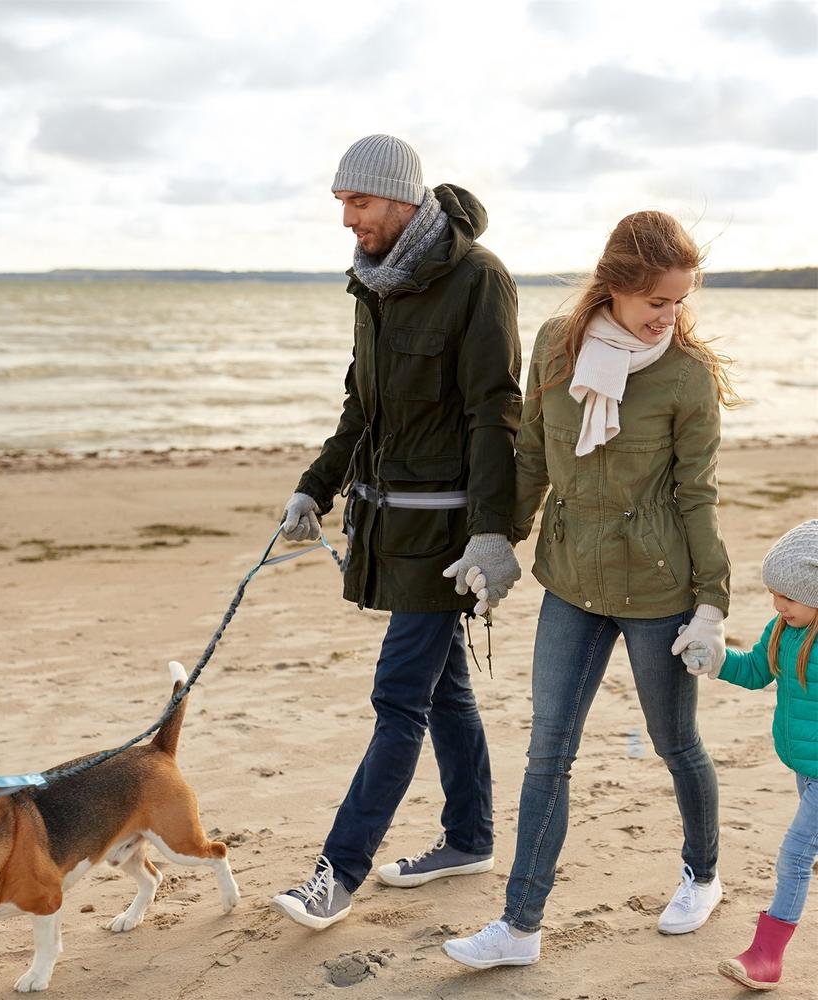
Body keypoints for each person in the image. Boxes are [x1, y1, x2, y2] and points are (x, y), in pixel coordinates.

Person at [444, 210, 739, 970]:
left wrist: (711, 605)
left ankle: (703, 875)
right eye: (655, 303)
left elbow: (697, 495)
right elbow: (534, 457)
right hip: (572, 578)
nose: (666, 318)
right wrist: (498, 539)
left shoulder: (687, 375)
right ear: (614, 286)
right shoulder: (556, 343)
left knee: (677, 744)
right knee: (549, 751)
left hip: (660, 587)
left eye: (678, 302)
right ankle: (520, 926)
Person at [270, 134, 523, 930]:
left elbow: (495, 414)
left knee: (397, 698)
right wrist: (315, 487)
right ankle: (471, 837)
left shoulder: (478, 280)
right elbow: (362, 409)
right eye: (342, 203)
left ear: (403, 199)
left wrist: (494, 534)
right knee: (444, 692)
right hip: (388, 526)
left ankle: (336, 875)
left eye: (361, 202)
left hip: (446, 537)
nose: (348, 219)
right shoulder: (372, 285)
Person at [681, 519, 818, 992]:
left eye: (789, 597)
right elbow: (758, 670)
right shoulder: (785, 628)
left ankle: (767, 956)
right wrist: (715, 662)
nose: (778, 605)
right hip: (806, 768)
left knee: (795, 855)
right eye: (773, 594)